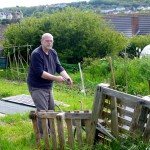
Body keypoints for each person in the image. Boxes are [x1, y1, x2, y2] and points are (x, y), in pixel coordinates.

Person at [27, 33, 73, 138]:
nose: (49, 42)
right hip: (37, 86)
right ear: (42, 41)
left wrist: (67, 77)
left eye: (51, 41)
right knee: (43, 111)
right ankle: (44, 136)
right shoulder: (36, 54)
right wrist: (56, 78)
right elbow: (40, 73)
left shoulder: (53, 52)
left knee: (50, 110)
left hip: (48, 86)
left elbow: (58, 67)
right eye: (47, 40)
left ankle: (50, 132)